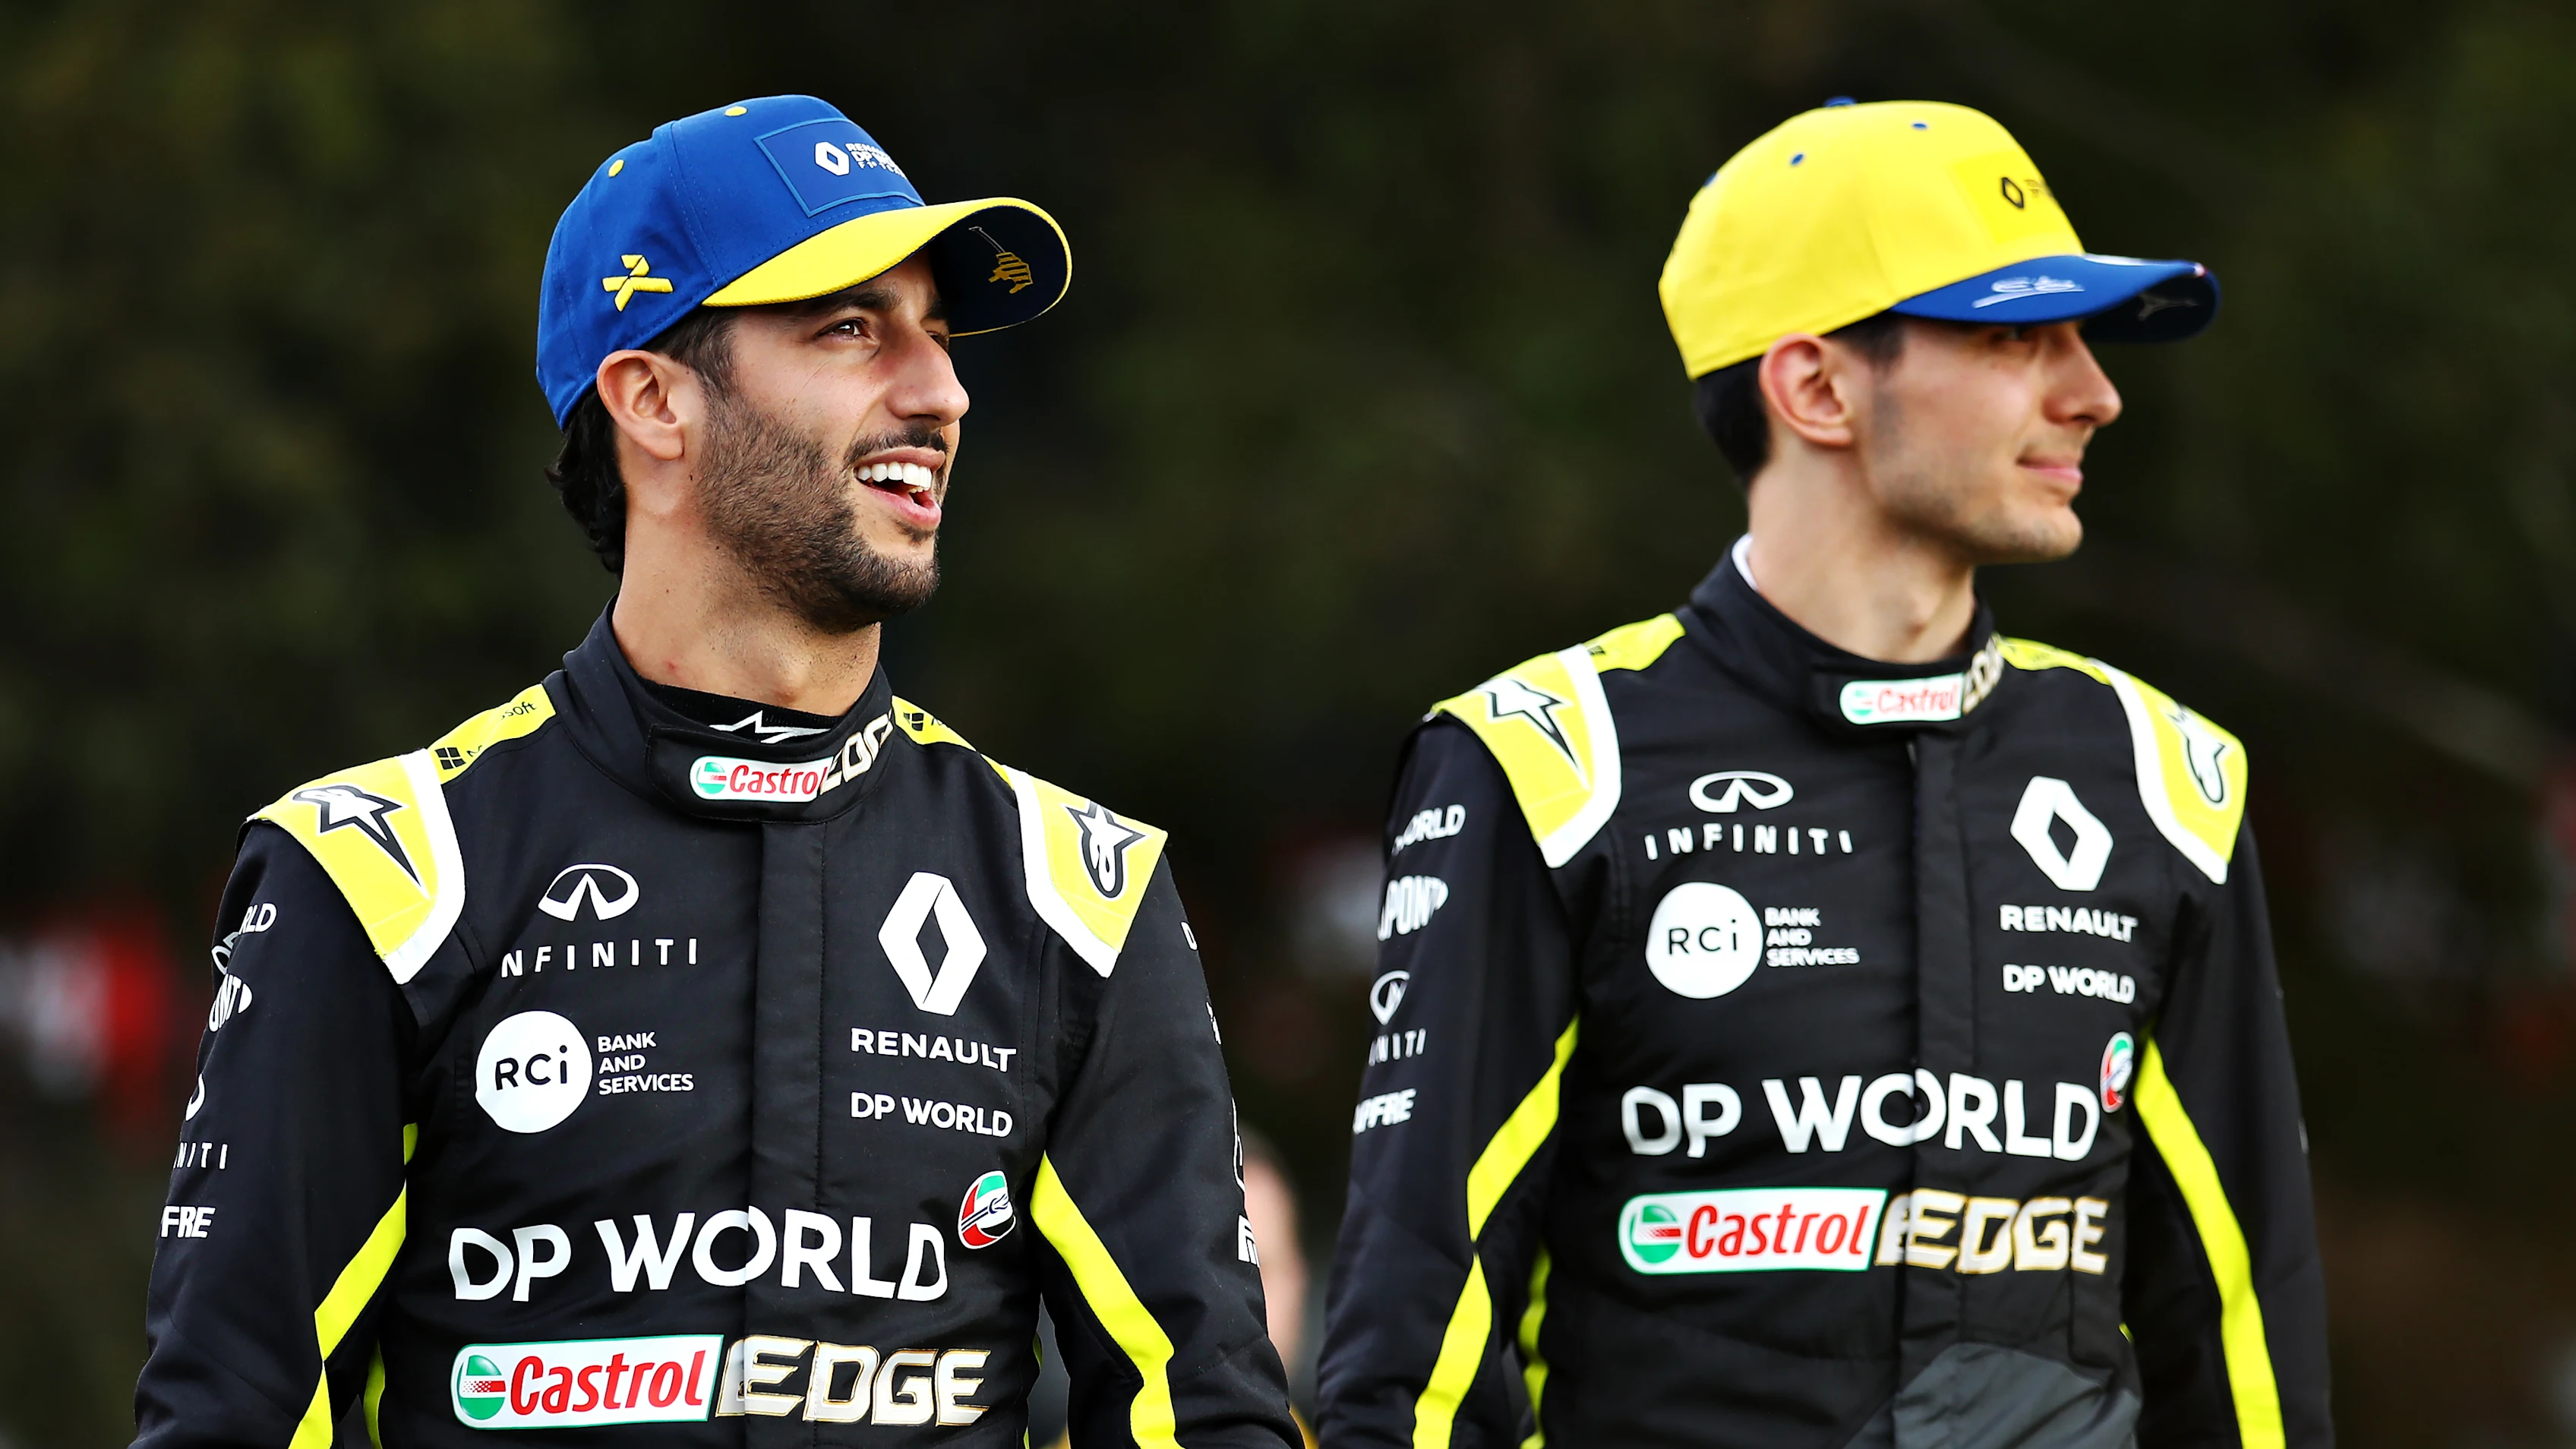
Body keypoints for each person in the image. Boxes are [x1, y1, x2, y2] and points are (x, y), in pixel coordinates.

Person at [134, 96, 1298, 1449]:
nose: (940, 390)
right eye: (852, 327)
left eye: (933, 330)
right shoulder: (379, 876)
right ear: (652, 403)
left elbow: (1208, 1419)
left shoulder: (1078, 895)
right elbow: (234, 1417)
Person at [1316, 99, 2330, 1448]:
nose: (2094, 393)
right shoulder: (1546, 762)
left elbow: (2245, 1354)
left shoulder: (2163, 777)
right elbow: (1412, 1363)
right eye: (2021, 337)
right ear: (1815, 388)